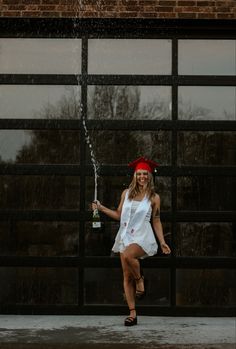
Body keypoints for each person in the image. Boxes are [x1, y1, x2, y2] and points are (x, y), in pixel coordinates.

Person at [92, 156, 171, 326]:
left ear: (149, 177)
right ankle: (132, 314)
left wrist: (162, 241)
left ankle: (140, 280)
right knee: (126, 276)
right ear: (134, 176)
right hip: (125, 235)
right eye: (139, 174)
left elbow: (156, 220)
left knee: (129, 255)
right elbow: (119, 215)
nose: (142, 177)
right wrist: (101, 207)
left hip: (143, 236)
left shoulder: (154, 197)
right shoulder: (126, 194)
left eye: (145, 174)